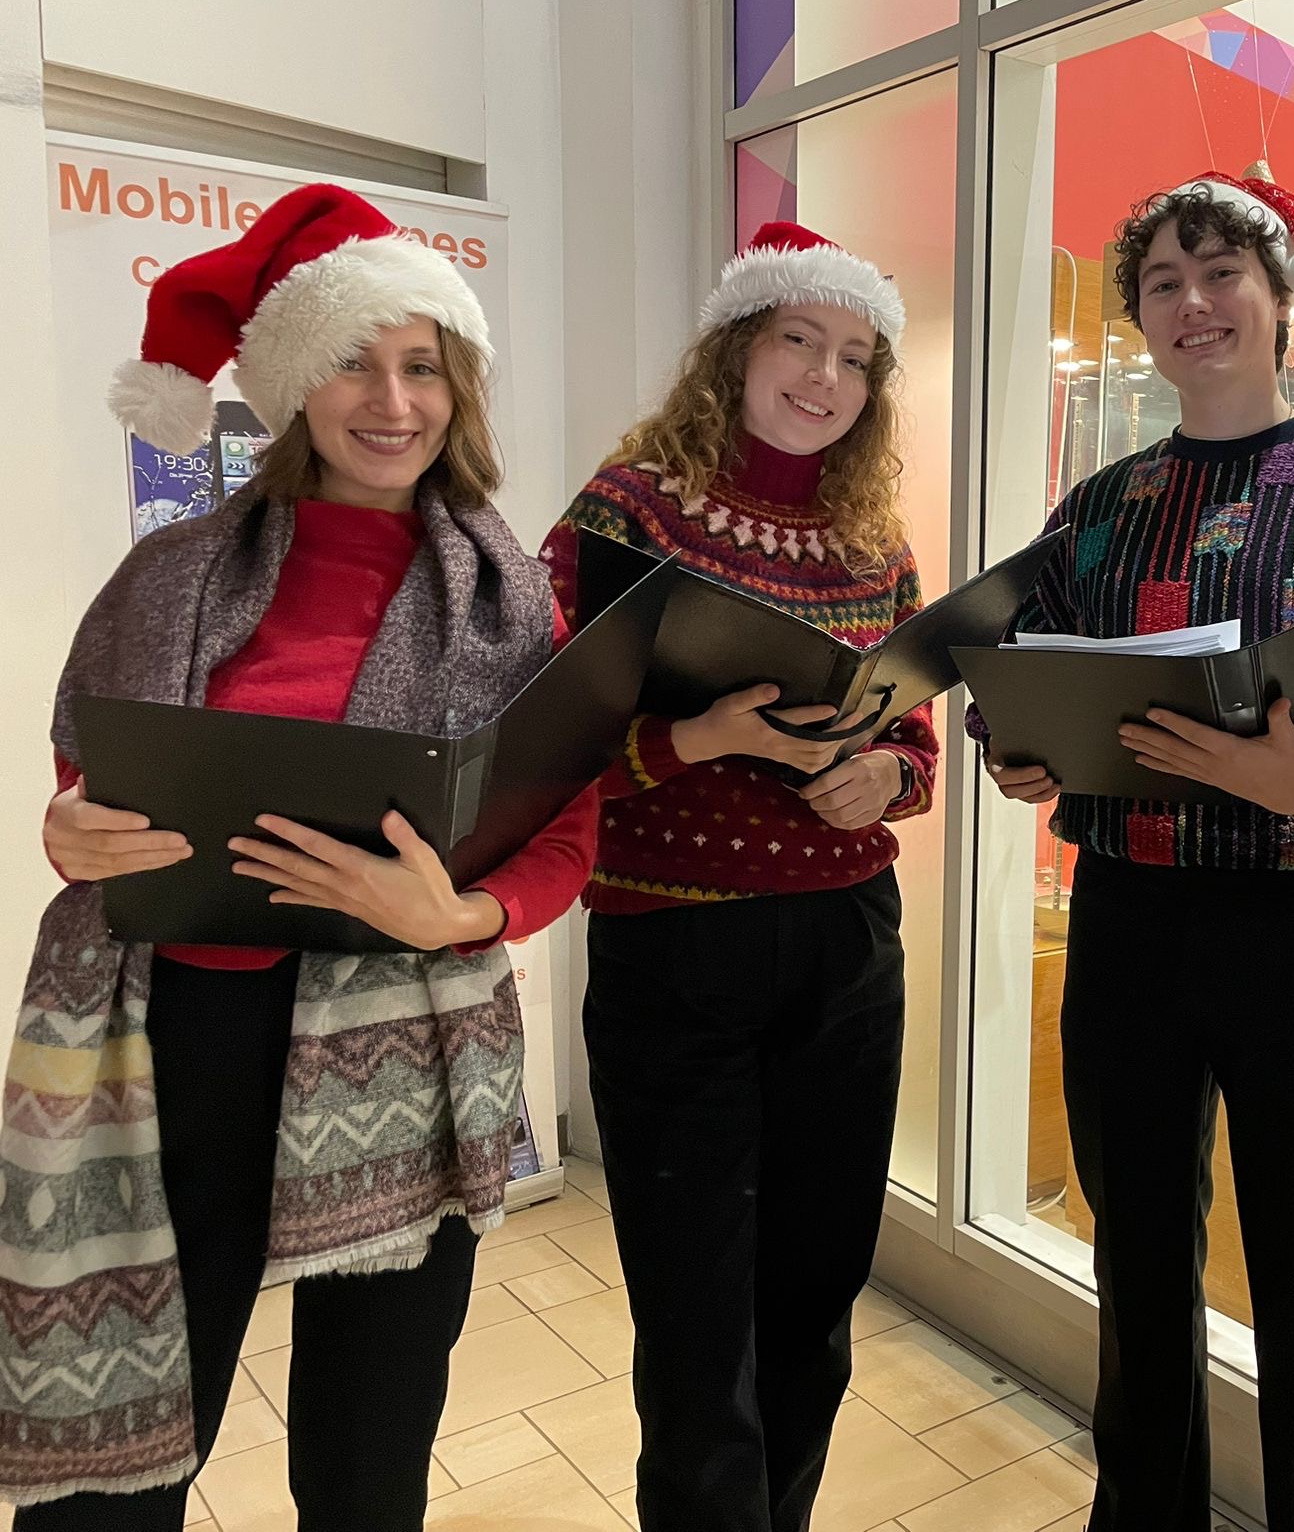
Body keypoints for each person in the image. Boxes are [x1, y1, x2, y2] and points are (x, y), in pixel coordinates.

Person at [0, 184, 598, 1529]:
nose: (392, 401)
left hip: (405, 1042)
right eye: (350, 359)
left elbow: (568, 823)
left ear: (460, 390)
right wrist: (69, 825)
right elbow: (89, 774)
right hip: (174, 1036)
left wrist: (463, 914)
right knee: (121, 1442)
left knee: (370, 1452)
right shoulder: (168, 573)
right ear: (286, 382)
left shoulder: (512, 601)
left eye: (421, 365)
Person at [978, 164, 1294, 1531]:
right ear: (1140, 315)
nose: (1193, 304)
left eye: (1221, 274)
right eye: (1162, 283)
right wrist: (1015, 748)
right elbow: (1013, 675)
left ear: (1278, 299)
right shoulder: (1099, 508)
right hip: (1126, 921)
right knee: (1136, 1260)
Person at [540, 221, 937, 1532]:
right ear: (736, 349)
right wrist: (699, 737)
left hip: (848, 949)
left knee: (815, 1309)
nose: (826, 378)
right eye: (798, 341)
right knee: (700, 1330)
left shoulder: (874, 545)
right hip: (676, 952)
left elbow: (916, 727)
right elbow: (538, 742)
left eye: (856, 358)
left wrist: (891, 776)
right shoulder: (630, 508)